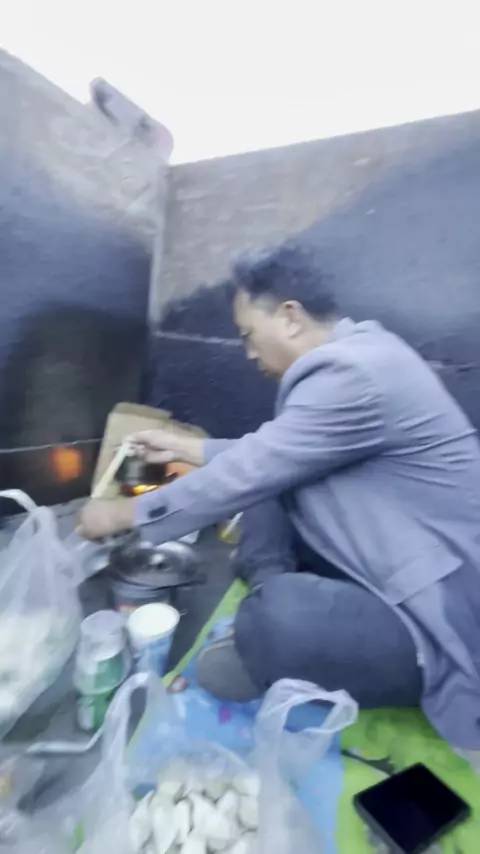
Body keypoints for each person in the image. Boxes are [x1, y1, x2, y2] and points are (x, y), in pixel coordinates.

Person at [80, 240, 480, 749]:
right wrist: (186, 447)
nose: (249, 354)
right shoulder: (364, 357)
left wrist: (120, 514)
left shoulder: (354, 373)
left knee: (280, 622)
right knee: (266, 490)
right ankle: (271, 592)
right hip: (384, 561)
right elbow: (276, 457)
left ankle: (275, 620)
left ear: (290, 317)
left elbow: (255, 467)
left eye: (249, 335)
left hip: (439, 616)